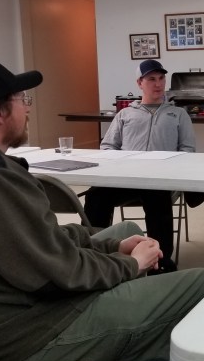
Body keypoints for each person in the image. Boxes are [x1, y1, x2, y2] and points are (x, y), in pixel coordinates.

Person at [0, 57, 204, 361]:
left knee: (126, 230)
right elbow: (56, 274)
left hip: (15, 313)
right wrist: (130, 264)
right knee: (200, 282)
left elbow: (40, 240)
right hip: (29, 336)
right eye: (22, 100)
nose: (27, 108)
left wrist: (114, 246)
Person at [84, 59, 196, 273]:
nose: (158, 84)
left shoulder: (178, 114)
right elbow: (107, 146)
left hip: (159, 180)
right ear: (139, 83)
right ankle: (92, 251)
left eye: (161, 78)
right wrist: (120, 163)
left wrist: (171, 166)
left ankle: (161, 261)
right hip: (126, 179)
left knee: (157, 197)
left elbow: (188, 150)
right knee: (96, 195)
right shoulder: (125, 114)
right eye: (151, 79)